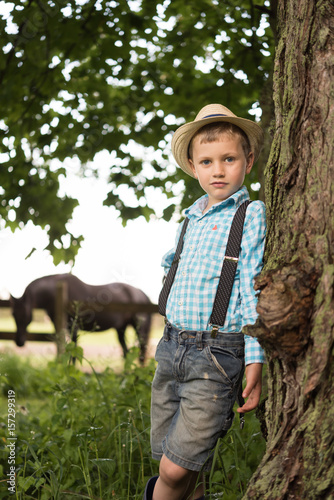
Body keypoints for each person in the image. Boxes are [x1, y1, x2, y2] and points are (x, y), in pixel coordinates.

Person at [144, 103, 266, 500]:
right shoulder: (190, 218)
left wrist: (254, 357)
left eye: (228, 159)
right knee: (182, 468)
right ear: (193, 167)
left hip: (217, 353)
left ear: (247, 161)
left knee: (174, 468)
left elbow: (249, 285)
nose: (218, 170)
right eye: (207, 161)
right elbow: (174, 266)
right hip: (172, 346)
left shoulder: (250, 214)